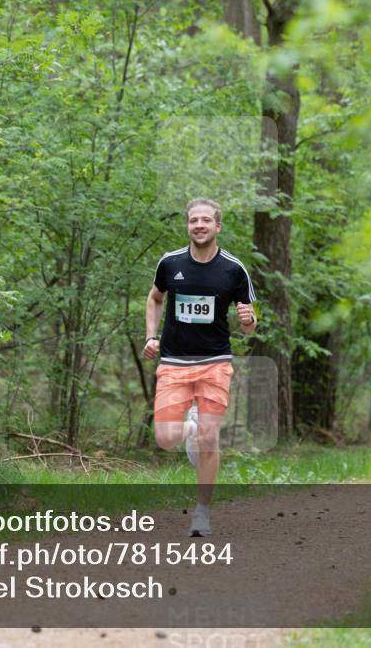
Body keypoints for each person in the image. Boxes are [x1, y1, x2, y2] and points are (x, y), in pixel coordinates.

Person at [143, 197, 257, 537]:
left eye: (206, 220)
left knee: (211, 436)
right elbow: (155, 298)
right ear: (188, 226)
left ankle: (202, 514)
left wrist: (249, 320)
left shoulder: (233, 269)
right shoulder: (170, 262)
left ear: (218, 226)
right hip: (174, 361)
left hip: (215, 362)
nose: (200, 225)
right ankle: (189, 431)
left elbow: (250, 320)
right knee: (165, 438)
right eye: (194, 220)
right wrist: (151, 336)